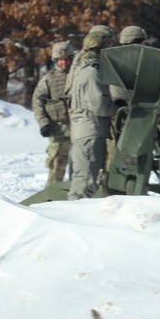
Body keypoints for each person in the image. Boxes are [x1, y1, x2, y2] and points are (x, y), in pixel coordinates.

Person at [67, 30, 117, 200]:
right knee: (85, 184)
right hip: (91, 132)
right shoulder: (92, 73)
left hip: (85, 130)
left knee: (84, 181)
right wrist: (117, 107)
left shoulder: (82, 70)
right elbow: (100, 106)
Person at [32, 41, 74, 184]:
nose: (64, 63)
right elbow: (37, 102)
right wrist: (43, 123)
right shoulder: (48, 80)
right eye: (61, 60)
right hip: (59, 130)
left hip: (81, 129)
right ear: (56, 60)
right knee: (57, 166)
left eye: (67, 59)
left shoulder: (79, 76)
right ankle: (51, 201)